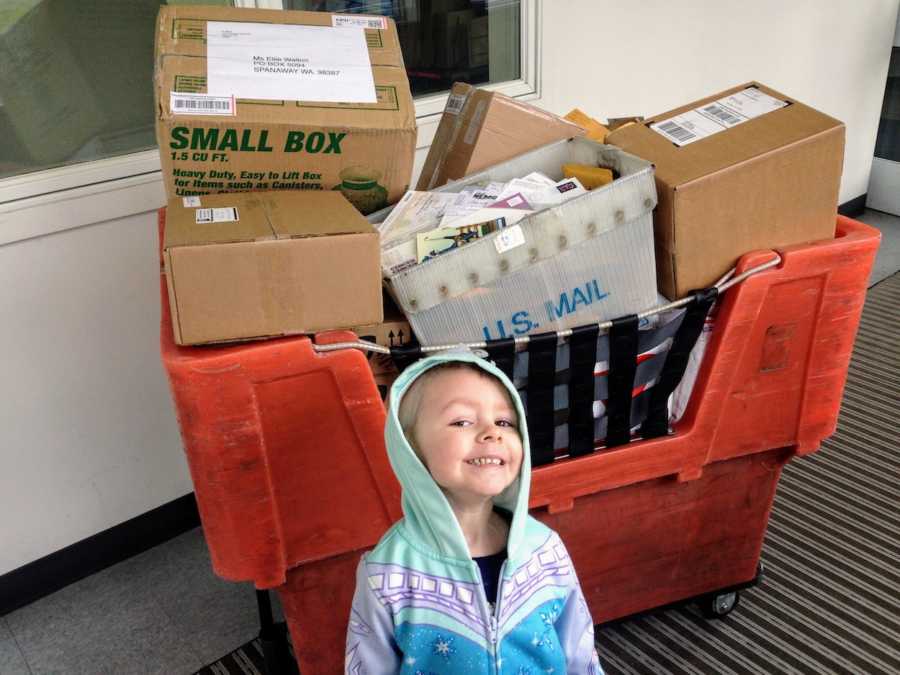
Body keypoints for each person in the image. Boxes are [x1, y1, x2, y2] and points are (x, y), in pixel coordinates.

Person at [346, 350, 603, 674]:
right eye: (462, 421)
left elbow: (580, 651)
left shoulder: (545, 550)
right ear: (410, 447)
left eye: (505, 422)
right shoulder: (388, 572)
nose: (491, 432)